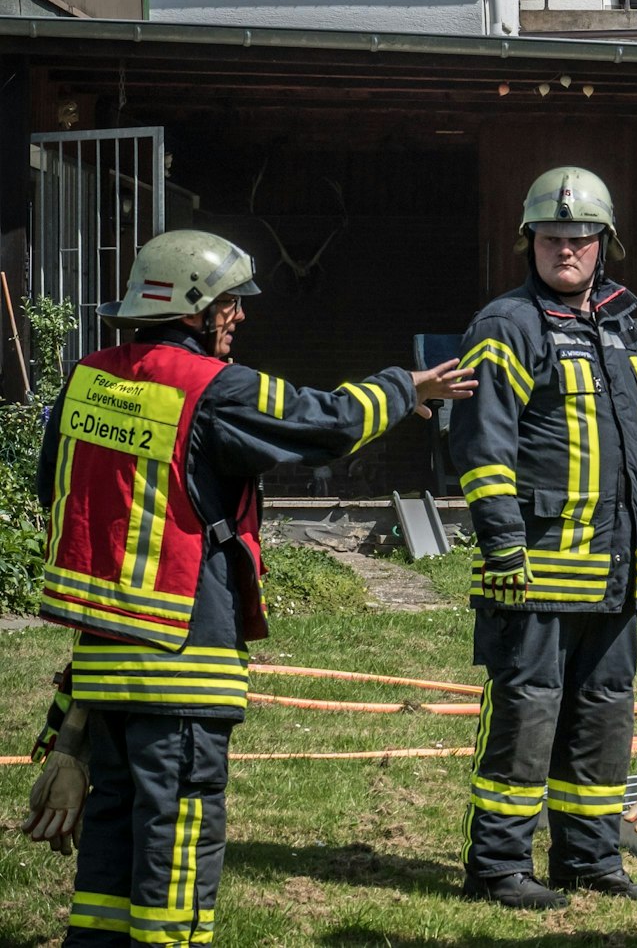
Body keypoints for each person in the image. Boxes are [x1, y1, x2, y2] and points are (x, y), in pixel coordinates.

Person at [21, 229, 474, 946]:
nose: (240, 317)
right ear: (195, 309)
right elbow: (321, 421)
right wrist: (403, 386)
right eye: (230, 303)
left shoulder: (85, 382)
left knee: (109, 858)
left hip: (103, 672)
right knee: (176, 857)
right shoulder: (214, 389)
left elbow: (60, 490)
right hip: (183, 672)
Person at [450, 166, 637, 910]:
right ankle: (498, 866)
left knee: (603, 717)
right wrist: (503, 545)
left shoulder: (619, 329)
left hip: (611, 576)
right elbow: (483, 449)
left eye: (580, 238)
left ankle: (588, 857)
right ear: (531, 243)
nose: (566, 251)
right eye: (552, 238)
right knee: (527, 718)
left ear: (603, 244)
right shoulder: (506, 325)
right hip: (536, 573)